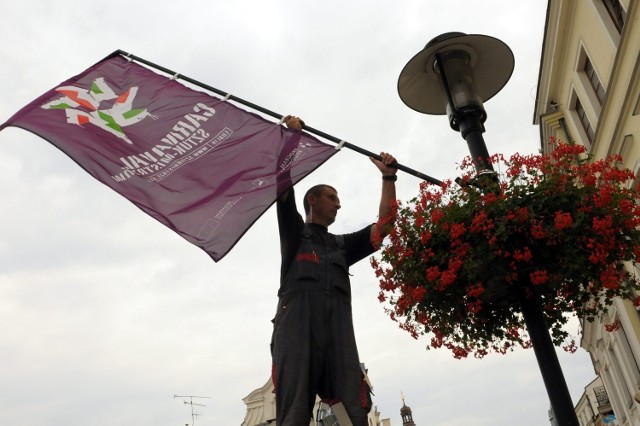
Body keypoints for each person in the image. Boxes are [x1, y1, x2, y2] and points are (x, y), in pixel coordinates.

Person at [271, 115, 397, 426]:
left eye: (339, 200)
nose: (338, 205)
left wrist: (389, 179)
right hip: (297, 333)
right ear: (312, 200)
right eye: (332, 198)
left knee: (355, 412)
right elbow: (282, 187)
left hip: (338, 336)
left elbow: (385, 226)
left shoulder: (342, 245)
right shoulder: (294, 234)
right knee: (294, 413)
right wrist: (291, 140)